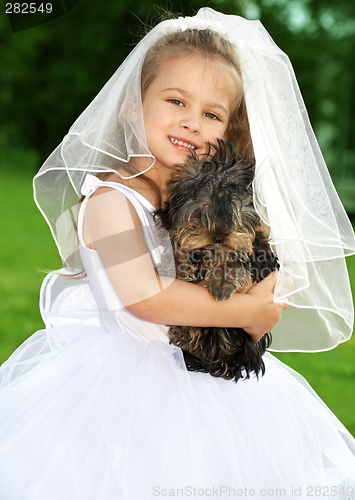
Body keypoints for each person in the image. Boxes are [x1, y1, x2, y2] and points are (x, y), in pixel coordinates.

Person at [1, 8, 355, 499]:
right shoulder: (110, 202)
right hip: (120, 394)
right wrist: (244, 309)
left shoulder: (213, 207)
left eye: (211, 114)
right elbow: (145, 297)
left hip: (209, 383)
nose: (191, 123)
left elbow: (253, 275)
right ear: (133, 107)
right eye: (175, 101)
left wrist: (263, 303)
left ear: (228, 130)